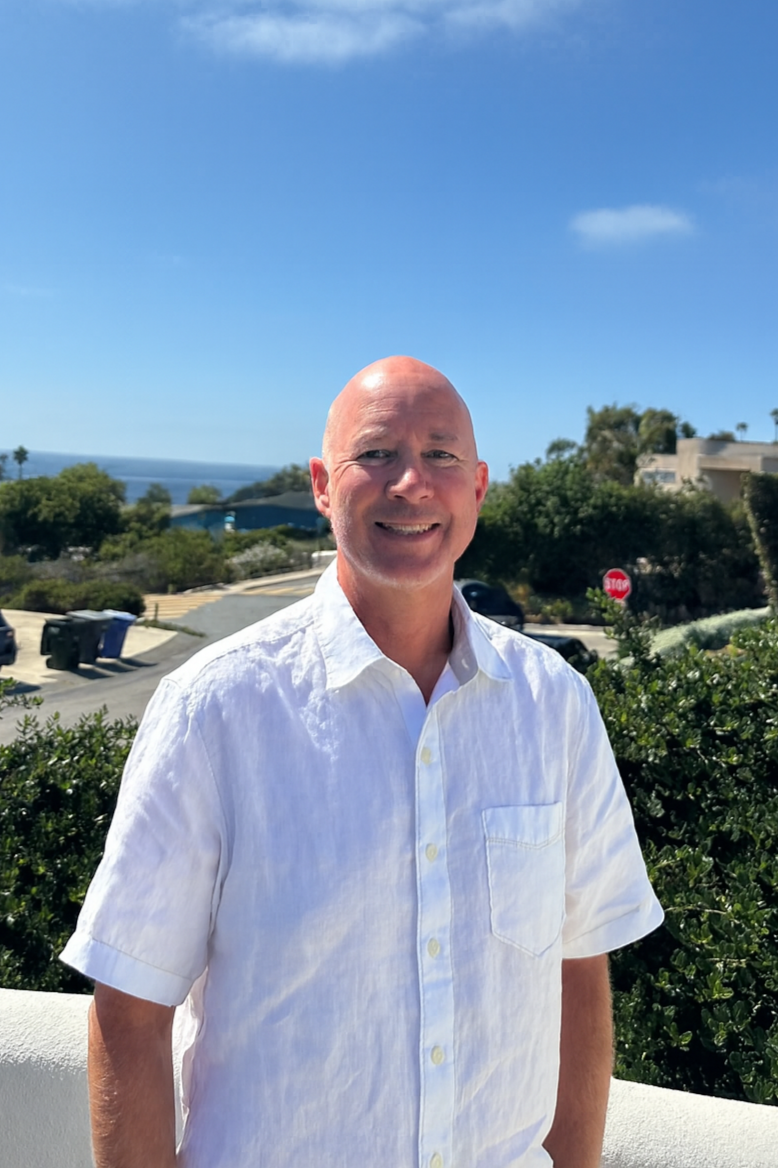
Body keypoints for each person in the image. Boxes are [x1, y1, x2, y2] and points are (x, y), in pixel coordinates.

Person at [62, 356, 663, 1168]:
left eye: (442, 455)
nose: (412, 482)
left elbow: (577, 967)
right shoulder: (215, 710)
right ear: (321, 483)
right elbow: (129, 1013)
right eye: (376, 453)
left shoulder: (554, 705)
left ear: (478, 487)